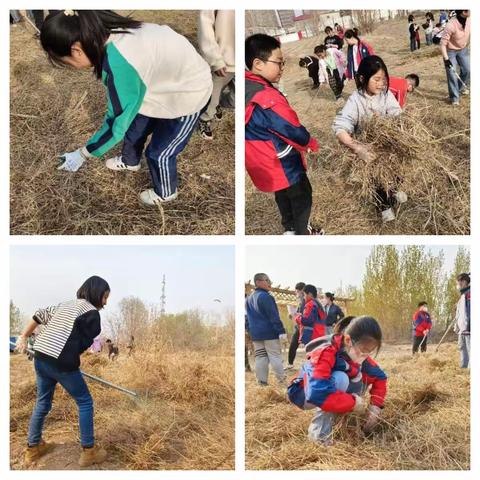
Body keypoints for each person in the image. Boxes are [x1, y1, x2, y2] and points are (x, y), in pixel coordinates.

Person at [39, 10, 212, 206]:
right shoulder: (110, 32)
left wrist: (83, 153)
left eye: (66, 62)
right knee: (135, 128)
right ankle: (130, 161)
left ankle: (166, 191)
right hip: (161, 85)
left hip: (188, 94)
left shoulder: (121, 63)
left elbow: (116, 123)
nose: (71, 67)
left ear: (76, 50)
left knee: (160, 152)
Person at [15, 276, 110, 467]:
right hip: (61, 362)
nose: (105, 302)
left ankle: (33, 449)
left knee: (42, 402)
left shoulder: (65, 305)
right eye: (105, 296)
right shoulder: (91, 313)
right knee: (85, 402)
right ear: (97, 293)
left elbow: (39, 315)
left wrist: (24, 336)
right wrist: (70, 362)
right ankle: (89, 451)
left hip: (41, 357)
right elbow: (83, 342)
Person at [245, 34, 320, 235]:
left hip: (260, 158)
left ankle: (289, 228)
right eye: (278, 62)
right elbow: (290, 128)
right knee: (302, 195)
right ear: (258, 64)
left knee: (282, 193)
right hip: (281, 159)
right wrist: (309, 142)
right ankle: (302, 232)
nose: (282, 67)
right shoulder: (267, 97)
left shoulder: (244, 86)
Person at [287, 315, 387, 444]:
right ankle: (319, 436)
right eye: (363, 351)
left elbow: (380, 377)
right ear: (348, 340)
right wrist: (352, 403)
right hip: (302, 392)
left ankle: (343, 424)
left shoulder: (358, 354)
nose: (365, 356)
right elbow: (317, 392)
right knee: (341, 379)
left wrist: (375, 409)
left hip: (322, 390)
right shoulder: (326, 352)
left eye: (370, 352)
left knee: (359, 379)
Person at [333, 55, 403, 223]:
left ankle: (394, 190)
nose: (381, 84)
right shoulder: (355, 101)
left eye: (384, 79)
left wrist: (388, 121)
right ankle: (384, 206)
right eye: (376, 79)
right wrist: (358, 148)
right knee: (377, 179)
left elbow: (397, 113)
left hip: (388, 144)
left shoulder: (385, 95)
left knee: (396, 171)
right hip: (368, 148)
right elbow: (340, 127)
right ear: (363, 78)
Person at [197, 10, 235, 140]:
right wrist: (215, 60)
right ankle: (205, 118)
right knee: (211, 97)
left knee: (236, 99)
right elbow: (205, 26)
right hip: (223, 61)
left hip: (244, 62)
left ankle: (217, 103)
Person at [245, 273, 287, 385]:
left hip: (256, 334)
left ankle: (262, 382)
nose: (270, 282)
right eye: (267, 280)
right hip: (269, 333)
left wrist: (250, 331)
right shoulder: (266, 297)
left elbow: (247, 319)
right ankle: (282, 381)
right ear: (258, 282)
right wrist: (281, 331)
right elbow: (274, 316)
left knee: (260, 357)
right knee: (275, 356)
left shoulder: (248, 299)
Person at [440, 10, 470, 106]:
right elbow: (442, 44)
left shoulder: (470, 20)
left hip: (463, 49)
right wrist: (446, 59)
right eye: (467, 9)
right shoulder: (451, 25)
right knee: (452, 74)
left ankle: (459, 89)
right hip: (450, 51)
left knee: (467, 70)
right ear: (462, 12)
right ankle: (454, 98)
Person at [285, 282, 306, 371]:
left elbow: (305, 315)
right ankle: (290, 364)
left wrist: (296, 315)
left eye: (297, 291)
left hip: (305, 327)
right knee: (293, 344)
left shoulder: (306, 301)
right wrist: (292, 314)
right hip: (299, 327)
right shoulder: (300, 301)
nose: (296, 293)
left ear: (302, 291)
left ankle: (314, 365)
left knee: (310, 346)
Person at [454, 273, 470, 369]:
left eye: (458, 283)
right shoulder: (463, 296)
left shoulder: (470, 294)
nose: (457, 285)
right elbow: (460, 314)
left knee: (470, 351)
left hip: (468, 330)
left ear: (464, 282)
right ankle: (463, 369)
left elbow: (469, 312)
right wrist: (457, 326)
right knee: (462, 350)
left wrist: (469, 326)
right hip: (462, 331)